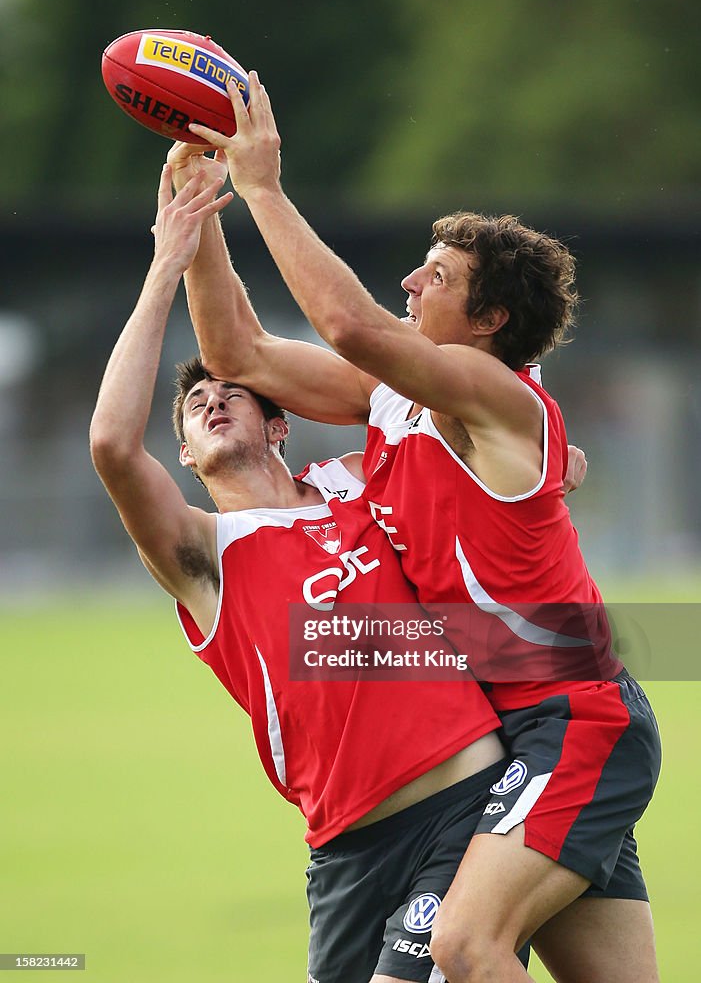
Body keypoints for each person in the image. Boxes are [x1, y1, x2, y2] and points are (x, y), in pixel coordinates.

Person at [180, 74, 663, 983]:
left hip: (574, 723)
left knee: (464, 949)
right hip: (513, 735)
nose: (408, 281)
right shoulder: (397, 400)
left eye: (434, 277)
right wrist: (200, 206)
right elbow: (236, 353)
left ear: (488, 322)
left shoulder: (497, 397)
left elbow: (350, 326)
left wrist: (265, 188)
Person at [89, 163, 534, 983]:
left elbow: (472, 449)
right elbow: (114, 449)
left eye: (231, 396)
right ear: (183, 454)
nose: (214, 402)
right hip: (343, 848)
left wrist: (553, 459)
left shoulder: (360, 485)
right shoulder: (202, 556)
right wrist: (170, 259)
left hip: (464, 802)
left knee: (456, 961)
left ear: (281, 423)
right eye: (193, 408)